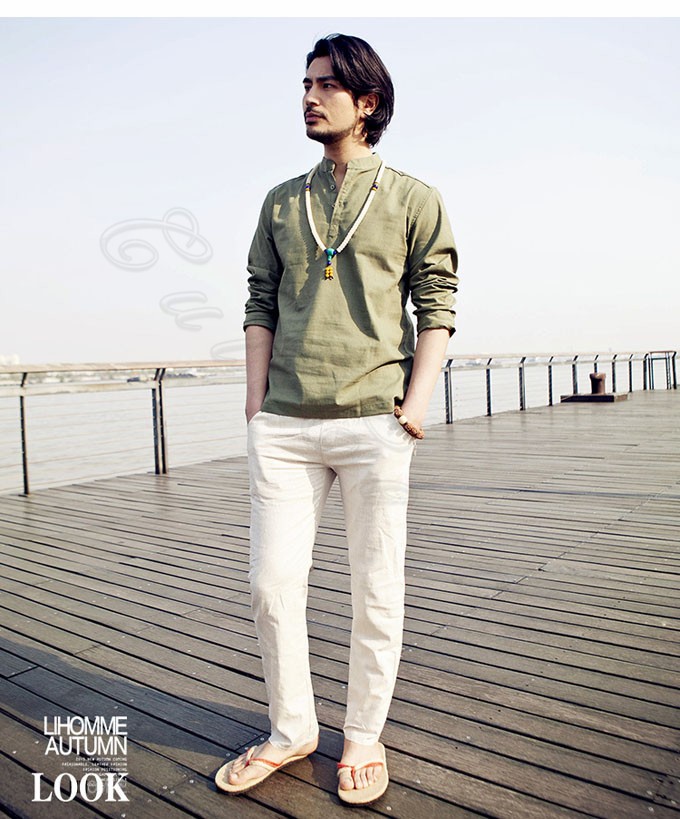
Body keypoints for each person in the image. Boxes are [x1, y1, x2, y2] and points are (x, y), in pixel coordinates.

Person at [215, 33, 458, 806]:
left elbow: (437, 303)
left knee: (375, 588)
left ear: (368, 101)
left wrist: (415, 405)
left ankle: (362, 734)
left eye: (326, 85)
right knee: (271, 584)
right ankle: (292, 728)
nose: (309, 97)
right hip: (284, 424)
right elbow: (259, 298)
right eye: (306, 83)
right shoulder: (281, 200)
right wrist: (255, 403)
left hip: (374, 422)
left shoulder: (414, 198)